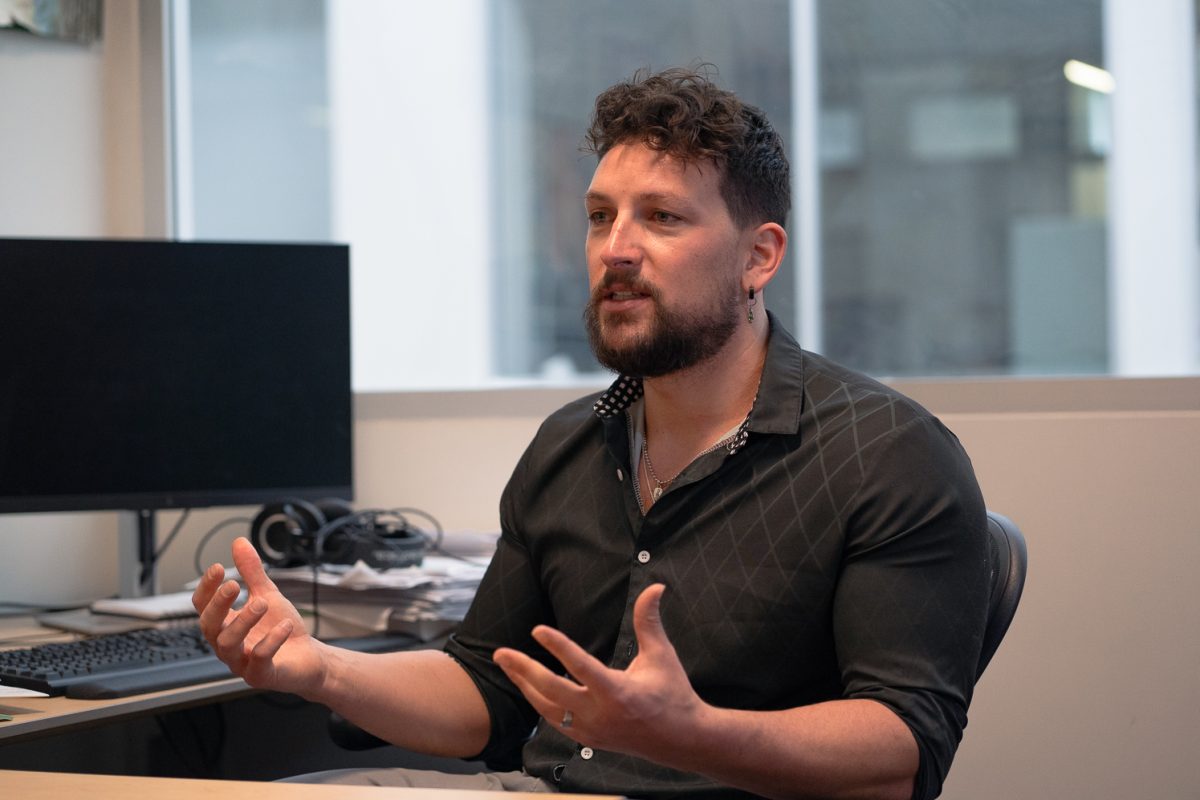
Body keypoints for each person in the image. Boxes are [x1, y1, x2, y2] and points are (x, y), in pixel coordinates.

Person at [194, 66, 990, 800]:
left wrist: (693, 736)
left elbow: (903, 749)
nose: (616, 249)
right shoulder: (570, 444)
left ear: (759, 255)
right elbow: (488, 691)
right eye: (599, 216)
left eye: (662, 218)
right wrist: (320, 670)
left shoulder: (886, 455)